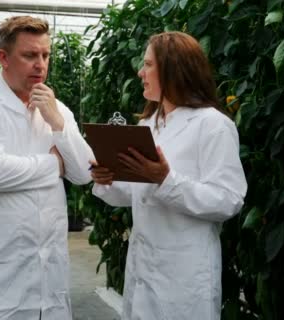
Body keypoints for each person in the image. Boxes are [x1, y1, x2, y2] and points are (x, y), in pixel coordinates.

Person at [90, 31, 248, 320]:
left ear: (174, 69)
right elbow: (137, 192)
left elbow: (229, 200)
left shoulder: (213, 125)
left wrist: (166, 180)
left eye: (148, 65)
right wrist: (108, 178)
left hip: (184, 275)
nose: (140, 72)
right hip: (143, 269)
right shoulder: (151, 124)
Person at [0, 16, 94, 320]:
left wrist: (57, 123)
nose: (40, 65)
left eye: (45, 55)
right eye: (29, 55)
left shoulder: (56, 109)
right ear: (3, 58)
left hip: (48, 283)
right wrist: (55, 164)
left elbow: (83, 173)